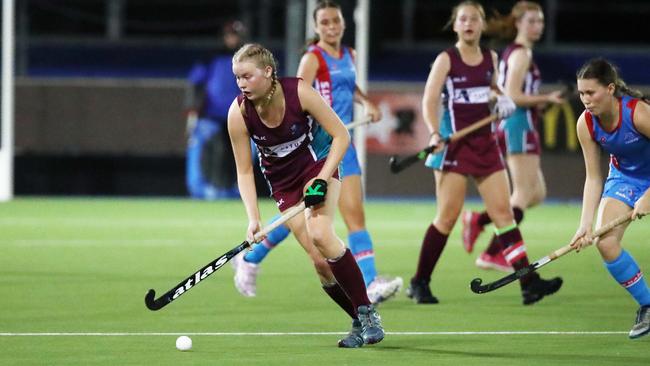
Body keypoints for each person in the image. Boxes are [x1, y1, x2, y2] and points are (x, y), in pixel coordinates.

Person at [231, 0, 403, 304]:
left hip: (338, 143)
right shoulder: (312, 59)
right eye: (325, 23)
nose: (332, 27)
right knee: (308, 221)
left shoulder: (350, 55)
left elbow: (350, 87)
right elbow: (296, 100)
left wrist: (366, 103)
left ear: (344, 24)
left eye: (336, 21)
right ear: (316, 27)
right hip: (312, 144)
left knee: (350, 217)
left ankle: (369, 282)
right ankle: (254, 257)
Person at [227, 43, 384, 348]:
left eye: (247, 76)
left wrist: (322, 180)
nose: (241, 84)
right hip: (283, 183)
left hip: (318, 163)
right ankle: (357, 320)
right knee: (320, 263)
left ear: (268, 72)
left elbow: (342, 135)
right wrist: (253, 219)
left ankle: (367, 314)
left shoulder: (299, 92)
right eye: (237, 78)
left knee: (321, 233)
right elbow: (245, 172)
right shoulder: (239, 113)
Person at [406, 0, 563, 305]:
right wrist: (435, 132)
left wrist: (501, 98)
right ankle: (419, 282)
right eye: (463, 19)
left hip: (485, 144)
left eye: (474, 19)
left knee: (504, 214)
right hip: (454, 144)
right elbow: (429, 101)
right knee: (447, 218)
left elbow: (493, 89)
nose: (468, 24)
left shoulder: (491, 57)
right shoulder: (446, 60)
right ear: (455, 25)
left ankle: (528, 283)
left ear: (481, 25)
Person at [462, 1, 566, 272]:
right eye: (532, 21)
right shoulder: (521, 54)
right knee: (521, 193)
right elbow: (512, 95)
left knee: (536, 193)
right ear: (518, 23)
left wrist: (538, 103)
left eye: (540, 21)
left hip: (518, 123)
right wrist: (546, 98)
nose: (537, 26)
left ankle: (479, 221)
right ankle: (493, 252)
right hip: (518, 124)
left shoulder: (515, 52)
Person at [570, 58, 650, 339]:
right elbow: (593, 177)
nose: (585, 100)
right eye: (581, 93)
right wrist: (584, 224)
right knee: (606, 243)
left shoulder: (637, 113)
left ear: (610, 88)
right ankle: (648, 304)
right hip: (625, 178)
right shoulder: (586, 124)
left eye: (591, 92)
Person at [185, 21, 245, 199]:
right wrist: (192, 110)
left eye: (235, 35)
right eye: (229, 35)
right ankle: (213, 189)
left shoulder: (248, 58)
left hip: (238, 115)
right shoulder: (211, 58)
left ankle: (232, 189)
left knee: (238, 154)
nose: (231, 39)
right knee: (215, 152)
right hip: (213, 116)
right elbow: (195, 83)